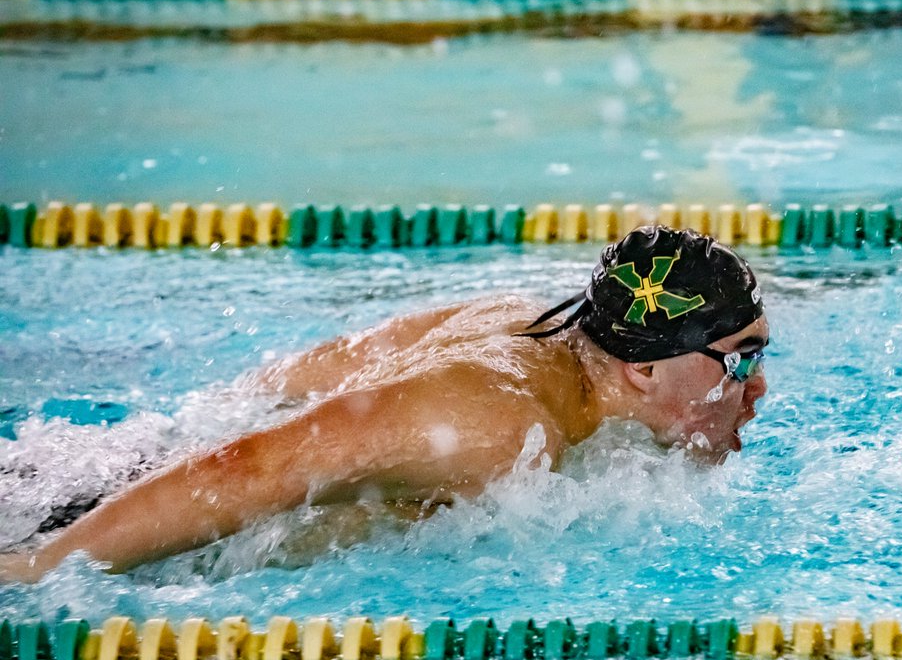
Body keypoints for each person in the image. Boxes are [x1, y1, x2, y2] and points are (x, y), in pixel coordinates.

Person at [0, 225, 769, 583]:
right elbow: (251, 463)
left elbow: (307, 376)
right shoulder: (500, 425)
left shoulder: (512, 320)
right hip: (98, 525)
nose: (756, 387)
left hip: (125, 467)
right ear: (641, 368)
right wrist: (39, 567)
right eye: (741, 361)